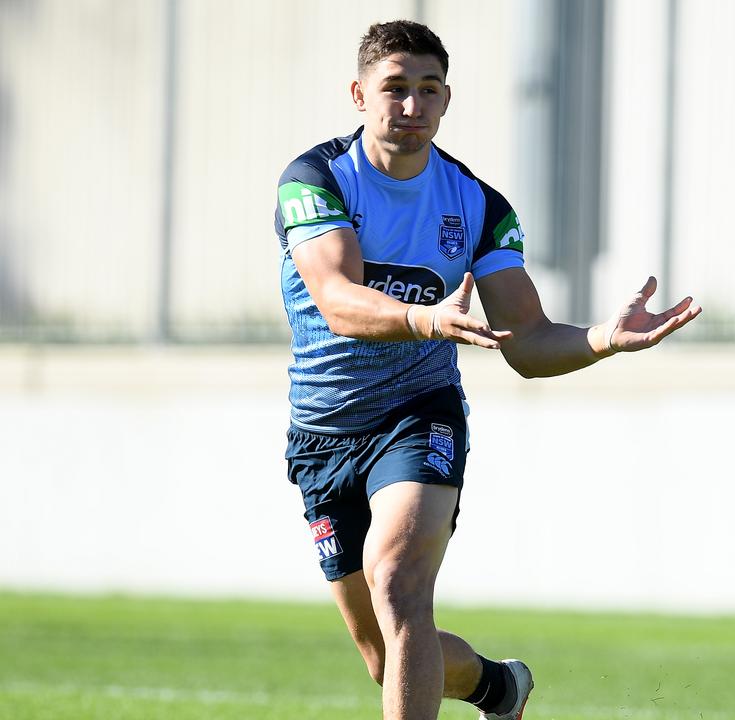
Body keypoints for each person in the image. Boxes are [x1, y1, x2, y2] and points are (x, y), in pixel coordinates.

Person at [273, 19, 700, 720]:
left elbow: (525, 340)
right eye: (396, 89)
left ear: (447, 100)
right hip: (323, 430)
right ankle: (498, 687)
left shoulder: (477, 206)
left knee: (400, 584)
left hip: (418, 414)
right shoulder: (315, 180)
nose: (412, 107)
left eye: (428, 90)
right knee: (383, 654)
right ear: (359, 94)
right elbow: (339, 301)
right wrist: (427, 318)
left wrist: (600, 337)